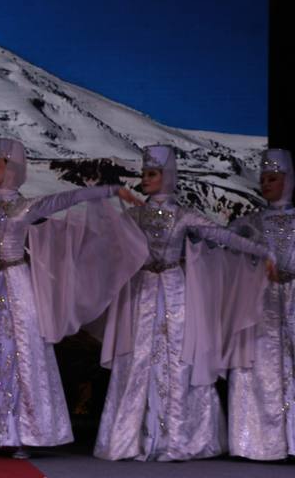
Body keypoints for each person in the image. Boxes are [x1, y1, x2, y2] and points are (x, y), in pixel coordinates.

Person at [0, 137, 140, 457]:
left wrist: (110, 190)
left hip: (17, 285)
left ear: (12, 169)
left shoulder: (26, 207)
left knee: (21, 354)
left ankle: (23, 433)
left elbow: (67, 198)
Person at [96, 145, 272, 461]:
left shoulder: (183, 215)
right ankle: (133, 438)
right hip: (142, 293)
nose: (145, 179)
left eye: (152, 173)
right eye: (144, 173)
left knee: (178, 360)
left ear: (167, 176)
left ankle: (176, 438)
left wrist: (263, 252)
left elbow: (224, 237)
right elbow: (107, 245)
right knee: (137, 359)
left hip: (175, 294)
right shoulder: (133, 216)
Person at [228, 148, 295, 460]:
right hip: (264, 301)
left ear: (288, 180)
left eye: (273, 178)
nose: (266, 184)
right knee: (260, 366)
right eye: (263, 179)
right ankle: (261, 442)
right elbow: (226, 247)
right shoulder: (251, 223)